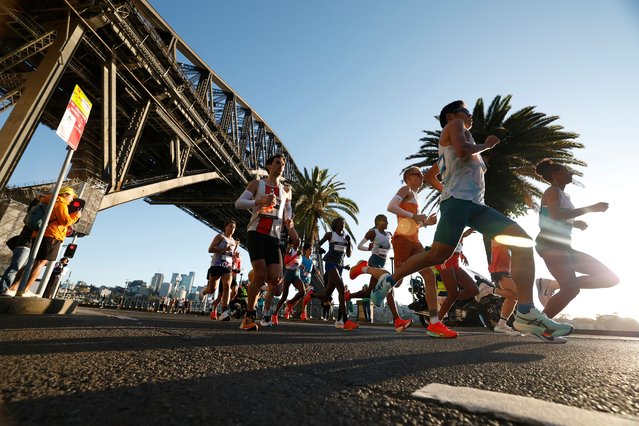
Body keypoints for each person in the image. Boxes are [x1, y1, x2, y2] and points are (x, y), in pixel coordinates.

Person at [366, 100, 574, 343]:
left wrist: (447, 184)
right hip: (457, 203)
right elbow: (464, 150)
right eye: (466, 111)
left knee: (522, 242)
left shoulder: (455, 139)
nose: (469, 115)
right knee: (438, 256)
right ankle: (388, 280)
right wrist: (487, 144)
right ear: (453, 115)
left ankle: (526, 311)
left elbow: (434, 173)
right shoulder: (455, 126)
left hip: (475, 206)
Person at [350, 167, 457, 338]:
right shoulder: (405, 190)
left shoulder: (417, 197)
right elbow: (390, 206)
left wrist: (426, 223)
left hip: (415, 241)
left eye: (422, 176)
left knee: (429, 276)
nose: (422, 178)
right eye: (418, 175)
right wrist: (414, 217)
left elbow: (412, 224)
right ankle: (363, 268)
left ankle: (434, 323)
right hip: (402, 241)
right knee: (396, 282)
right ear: (408, 177)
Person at [534, 159, 618, 319]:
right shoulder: (552, 191)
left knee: (610, 278)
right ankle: (541, 325)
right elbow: (555, 215)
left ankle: (551, 285)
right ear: (555, 174)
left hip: (564, 246)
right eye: (566, 171)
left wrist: (575, 223)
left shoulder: (564, 195)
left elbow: (555, 218)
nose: (570, 173)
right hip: (550, 243)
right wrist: (590, 209)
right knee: (571, 289)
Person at [234, 153, 299, 331]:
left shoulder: (286, 190)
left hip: (275, 237)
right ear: (269, 166)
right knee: (262, 274)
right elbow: (239, 203)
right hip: (256, 232)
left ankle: (255, 279)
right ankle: (248, 317)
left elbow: (288, 213)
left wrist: (290, 224)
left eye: (283, 164)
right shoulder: (257, 184)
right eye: (278, 163)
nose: (281, 166)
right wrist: (259, 201)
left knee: (276, 279)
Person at [3, 187, 81, 297]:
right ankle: (24, 289)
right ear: (65, 194)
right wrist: (75, 216)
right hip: (52, 235)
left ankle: (14, 287)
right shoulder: (60, 203)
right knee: (40, 263)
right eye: (72, 196)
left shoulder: (48, 201)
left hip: (41, 234)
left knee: (32, 262)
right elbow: (65, 221)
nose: (72, 200)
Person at [348, 214, 413, 332]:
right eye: (385, 221)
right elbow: (359, 246)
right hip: (374, 261)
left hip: (383, 263)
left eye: (387, 221)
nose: (387, 223)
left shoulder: (389, 234)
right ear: (378, 222)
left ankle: (348, 296)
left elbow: (396, 245)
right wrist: (369, 248)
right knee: (388, 286)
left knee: (369, 293)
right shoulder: (372, 232)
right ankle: (398, 320)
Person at [307, 217, 359, 330]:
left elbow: (349, 254)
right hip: (330, 264)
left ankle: (312, 295)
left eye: (344, 222)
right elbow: (317, 245)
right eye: (341, 222)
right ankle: (345, 320)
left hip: (340, 266)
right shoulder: (330, 235)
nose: (343, 224)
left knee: (327, 294)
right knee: (341, 288)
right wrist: (320, 249)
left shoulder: (345, 237)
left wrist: (349, 243)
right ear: (335, 224)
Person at [433, 228, 479, 322]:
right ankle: (436, 323)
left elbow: (456, 246)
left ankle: (444, 299)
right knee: (453, 293)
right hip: (445, 262)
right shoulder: (448, 228)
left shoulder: (460, 234)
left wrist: (462, 254)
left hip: (455, 264)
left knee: (474, 290)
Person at [481, 239, 520, 335]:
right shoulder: (498, 236)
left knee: (512, 298)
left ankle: (501, 324)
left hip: (506, 269)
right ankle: (489, 290)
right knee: (517, 295)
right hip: (499, 269)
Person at [205, 220, 238, 321]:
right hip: (216, 265)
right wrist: (224, 250)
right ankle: (204, 291)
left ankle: (224, 311)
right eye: (230, 226)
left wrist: (234, 257)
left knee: (227, 287)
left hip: (227, 267)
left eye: (234, 227)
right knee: (212, 289)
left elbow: (231, 254)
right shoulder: (220, 237)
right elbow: (210, 249)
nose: (232, 229)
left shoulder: (235, 242)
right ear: (226, 227)